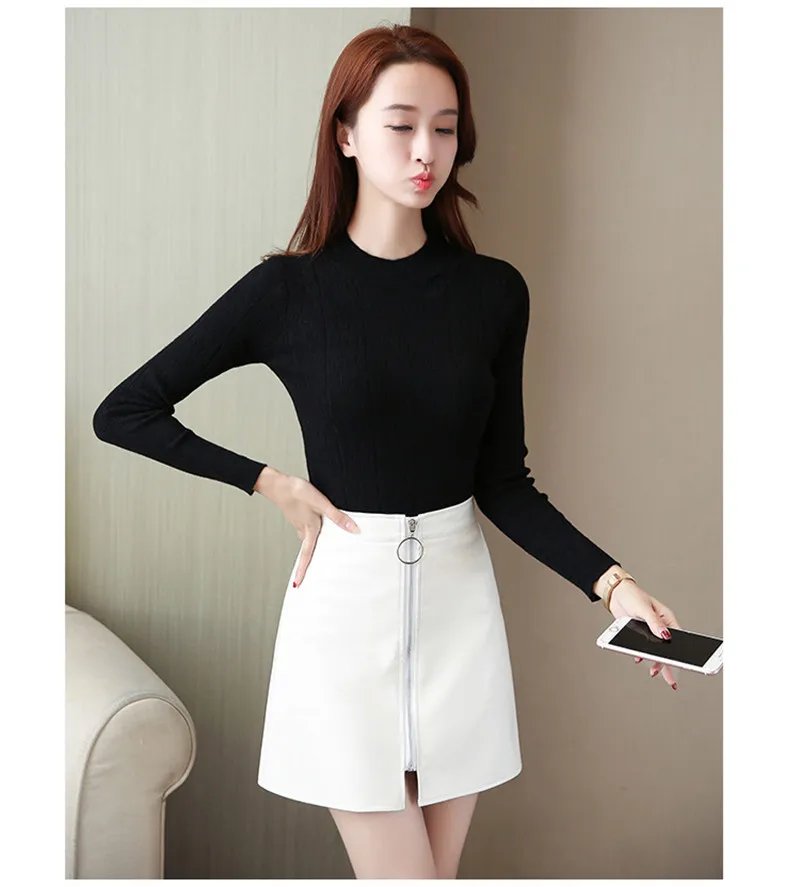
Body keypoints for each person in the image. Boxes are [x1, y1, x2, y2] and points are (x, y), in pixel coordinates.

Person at [92, 23, 682, 880]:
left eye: (445, 128)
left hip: (459, 609)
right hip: (345, 611)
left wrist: (614, 585)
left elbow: (503, 483)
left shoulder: (493, 293)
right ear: (345, 133)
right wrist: (268, 481)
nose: (426, 150)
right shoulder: (286, 290)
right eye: (401, 124)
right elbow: (125, 410)